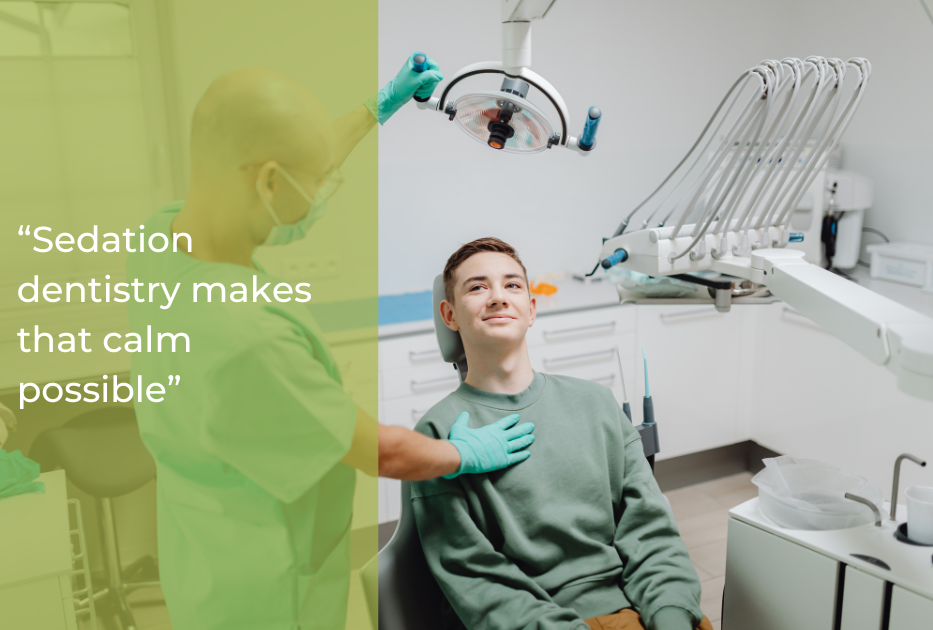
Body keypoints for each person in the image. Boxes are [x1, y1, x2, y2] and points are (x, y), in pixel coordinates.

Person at [126, 58, 535, 630]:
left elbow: (291, 164)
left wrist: (376, 109)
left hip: (202, 547)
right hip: (268, 590)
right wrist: (465, 454)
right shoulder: (249, 338)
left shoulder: (158, 239)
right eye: (313, 183)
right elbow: (381, 453)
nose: (319, 194)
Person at [410, 238, 713, 630]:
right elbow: (473, 576)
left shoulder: (596, 403)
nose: (498, 297)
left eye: (512, 285)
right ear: (449, 315)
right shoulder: (438, 436)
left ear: (531, 309)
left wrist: (670, 614)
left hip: (642, 609)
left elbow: (652, 532)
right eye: (478, 287)